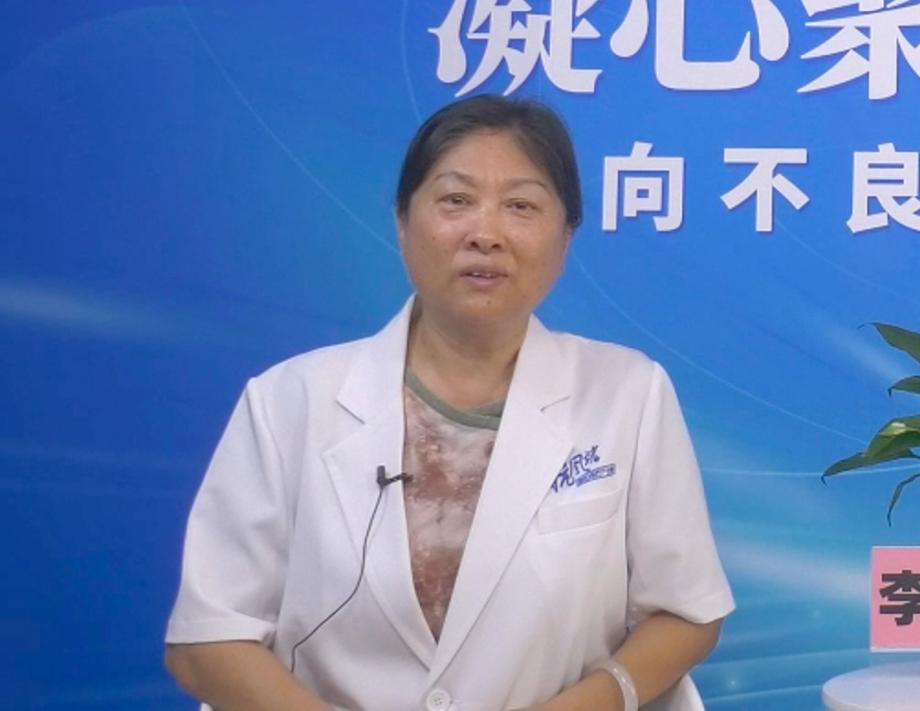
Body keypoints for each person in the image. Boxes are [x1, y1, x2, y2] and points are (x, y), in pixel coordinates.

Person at [163, 95, 734, 711]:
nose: (485, 234)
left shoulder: (627, 393)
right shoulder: (288, 400)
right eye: (456, 200)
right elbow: (207, 639)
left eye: (521, 206)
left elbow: (687, 611)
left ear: (566, 236)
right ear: (403, 222)